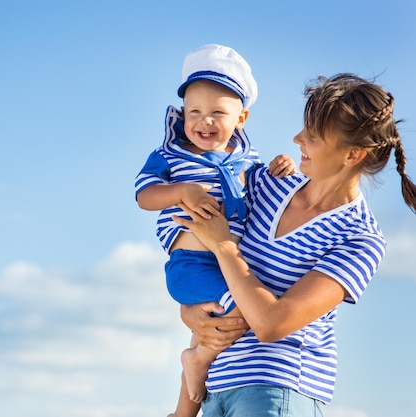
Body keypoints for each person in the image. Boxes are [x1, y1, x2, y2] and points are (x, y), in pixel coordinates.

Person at [173, 73, 416, 417]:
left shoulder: (359, 239)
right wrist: (192, 313)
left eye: (313, 136)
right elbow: (202, 265)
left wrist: (225, 247)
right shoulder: (264, 184)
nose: (297, 139)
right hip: (216, 388)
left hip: (276, 392)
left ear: (352, 155)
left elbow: (272, 323)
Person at [134, 44, 295, 417]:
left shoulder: (248, 162)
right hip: (189, 264)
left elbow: (262, 190)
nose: (204, 121)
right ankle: (197, 363)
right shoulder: (170, 156)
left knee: (225, 316)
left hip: (227, 264)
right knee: (241, 310)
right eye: (195, 112)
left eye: (217, 113)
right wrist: (180, 191)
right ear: (182, 114)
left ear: (242, 118)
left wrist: (278, 168)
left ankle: (193, 373)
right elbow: (144, 195)